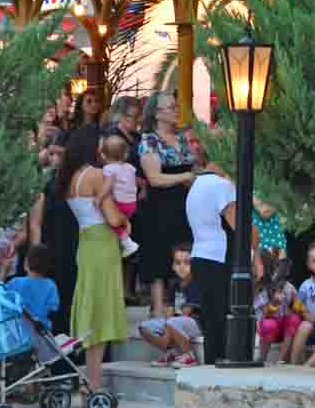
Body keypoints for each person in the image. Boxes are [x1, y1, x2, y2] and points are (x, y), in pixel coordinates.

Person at [57, 122, 133, 394]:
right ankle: (93, 382)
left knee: (91, 309)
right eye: (100, 143)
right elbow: (113, 217)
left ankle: (89, 379)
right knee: (99, 313)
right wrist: (126, 220)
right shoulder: (97, 175)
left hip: (86, 242)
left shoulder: (70, 178)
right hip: (102, 243)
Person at [137, 93, 200, 320]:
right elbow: (154, 178)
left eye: (176, 106)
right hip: (161, 207)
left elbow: (193, 167)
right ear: (157, 113)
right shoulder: (149, 140)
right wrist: (185, 176)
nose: (176, 110)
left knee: (185, 254)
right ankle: (158, 311)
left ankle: (186, 308)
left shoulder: (181, 138)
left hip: (185, 205)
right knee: (159, 259)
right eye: (171, 107)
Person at [184, 156, 239, 366]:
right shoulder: (221, 185)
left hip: (200, 255)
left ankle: (211, 365)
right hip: (218, 257)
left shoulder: (197, 184)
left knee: (211, 320)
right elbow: (239, 225)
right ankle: (221, 366)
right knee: (221, 318)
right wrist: (257, 247)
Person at [27, 143, 79, 322]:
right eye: (51, 154)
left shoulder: (77, 181)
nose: (55, 159)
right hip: (50, 248)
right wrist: (35, 255)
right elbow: (35, 222)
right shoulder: (42, 184)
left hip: (73, 247)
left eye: (60, 154)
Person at [136, 244, 202, 367]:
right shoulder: (174, 285)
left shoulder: (196, 284)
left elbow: (186, 313)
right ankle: (172, 352)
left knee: (172, 322)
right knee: (145, 326)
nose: (182, 267)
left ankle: (189, 355)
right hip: (174, 322)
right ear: (173, 266)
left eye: (187, 263)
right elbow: (170, 311)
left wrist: (167, 328)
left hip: (194, 324)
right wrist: (166, 320)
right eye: (178, 263)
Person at [254, 250, 301, 363]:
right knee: (269, 324)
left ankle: (281, 360)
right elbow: (266, 314)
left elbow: (299, 308)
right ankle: (262, 358)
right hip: (266, 329)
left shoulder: (288, 287)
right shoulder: (261, 289)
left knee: (294, 319)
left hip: (283, 329)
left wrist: (296, 304)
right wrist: (275, 304)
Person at [98, 136, 141, 260]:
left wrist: (99, 198)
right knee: (120, 223)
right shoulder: (130, 167)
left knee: (110, 221)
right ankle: (125, 234)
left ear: (103, 156)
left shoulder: (108, 169)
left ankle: (128, 244)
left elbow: (108, 185)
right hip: (132, 203)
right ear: (125, 154)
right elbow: (137, 182)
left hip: (120, 203)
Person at [6, 243, 62, 338]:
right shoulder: (51, 285)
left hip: (18, 332)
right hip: (42, 332)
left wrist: (4, 269)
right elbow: (54, 308)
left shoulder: (15, 282)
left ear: (25, 264)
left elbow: (0, 296)